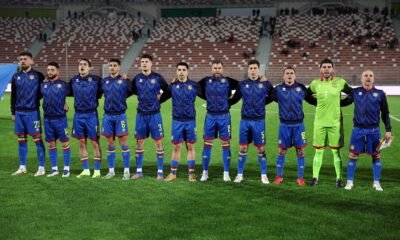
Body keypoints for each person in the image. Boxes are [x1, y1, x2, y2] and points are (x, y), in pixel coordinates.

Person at [344, 70, 392, 191]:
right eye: (365, 76)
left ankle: (376, 182)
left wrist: (388, 129)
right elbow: (344, 103)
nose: (368, 78)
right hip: (358, 130)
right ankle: (349, 181)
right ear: (361, 79)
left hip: (374, 131)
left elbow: (385, 113)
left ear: (373, 79)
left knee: (376, 156)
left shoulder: (380, 94)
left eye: (371, 75)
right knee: (352, 155)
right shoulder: (355, 92)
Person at [268, 66, 316, 186]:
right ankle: (279, 176)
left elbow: (311, 100)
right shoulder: (278, 89)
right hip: (284, 125)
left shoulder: (301, 88)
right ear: (283, 76)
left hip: (299, 125)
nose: (289, 75)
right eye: (287, 73)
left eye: (291, 73)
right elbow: (267, 99)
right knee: (281, 151)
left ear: (295, 76)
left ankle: (300, 178)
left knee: (300, 151)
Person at [308, 58, 353, 187]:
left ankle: (339, 179)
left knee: (336, 151)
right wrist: (316, 103)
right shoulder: (315, 83)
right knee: (319, 151)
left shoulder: (340, 82)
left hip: (335, 123)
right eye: (324, 67)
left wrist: (342, 103)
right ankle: (315, 177)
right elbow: (307, 95)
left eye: (329, 67)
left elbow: (352, 94)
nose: (326, 69)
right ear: (320, 69)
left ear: (332, 69)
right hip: (319, 123)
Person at [229, 59, 273, 184]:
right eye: (251, 68)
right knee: (243, 148)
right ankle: (239, 174)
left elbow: (274, 96)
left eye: (255, 68)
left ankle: (264, 175)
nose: (253, 70)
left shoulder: (266, 84)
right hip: (245, 121)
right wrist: (222, 103)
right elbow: (234, 99)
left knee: (261, 149)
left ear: (259, 70)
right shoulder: (242, 84)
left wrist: (262, 103)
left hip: (259, 121)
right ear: (248, 70)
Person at [197, 60, 239, 182]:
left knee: (225, 144)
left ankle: (226, 173)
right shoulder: (205, 81)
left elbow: (242, 86)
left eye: (219, 68)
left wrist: (230, 102)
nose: (217, 70)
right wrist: (207, 98)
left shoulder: (228, 81)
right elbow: (195, 88)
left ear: (222, 69)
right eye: (215, 68)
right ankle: (205, 172)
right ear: (211, 69)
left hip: (224, 116)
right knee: (207, 145)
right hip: (210, 116)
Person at [161, 62, 201, 182]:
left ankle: (191, 174)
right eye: (179, 69)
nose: (181, 72)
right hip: (177, 121)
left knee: (190, 146)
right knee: (177, 147)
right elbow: (162, 99)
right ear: (176, 72)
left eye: (184, 69)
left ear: (187, 72)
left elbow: (207, 95)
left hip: (190, 121)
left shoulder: (194, 85)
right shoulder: (172, 86)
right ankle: (173, 173)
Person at [131, 54, 168, 180]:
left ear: (151, 63)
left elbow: (167, 91)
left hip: (154, 115)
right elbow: (133, 91)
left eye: (146, 61)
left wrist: (160, 100)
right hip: (141, 114)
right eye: (142, 61)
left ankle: (160, 172)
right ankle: (139, 171)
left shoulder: (158, 78)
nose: (144, 63)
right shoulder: (137, 78)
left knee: (158, 142)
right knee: (139, 141)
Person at [11, 51, 46, 176]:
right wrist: (13, 112)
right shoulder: (16, 77)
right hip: (19, 113)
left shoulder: (38, 75)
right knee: (21, 140)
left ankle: (41, 167)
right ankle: (22, 167)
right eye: (20, 59)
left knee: (37, 140)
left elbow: (46, 91)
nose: (22, 61)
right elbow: (13, 96)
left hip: (33, 113)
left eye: (25, 59)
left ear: (31, 61)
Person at [68, 58, 102, 178]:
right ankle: (86, 169)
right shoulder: (73, 80)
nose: (82, 66)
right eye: (80, 64)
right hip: (78, 115)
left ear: (89, 67)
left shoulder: (96, 80)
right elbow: (65, 92)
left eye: (84, 64)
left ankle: (97, 171)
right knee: (81, 142)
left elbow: (101, 93)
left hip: (91, 114)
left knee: (94, 141)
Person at [100, 58, 133, 180]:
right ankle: (111, 171)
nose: (112, 67)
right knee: (110, 143)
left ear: (119, 68)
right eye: (110, 66)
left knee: (123, 142)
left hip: (120, 115)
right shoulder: (104, 81)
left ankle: (126, 171)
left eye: (114, 65)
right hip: (107, 116)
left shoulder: (125, 81)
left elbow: (132, 91)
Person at [41, 62, 71, 177]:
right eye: (48, 70)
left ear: (58, 71)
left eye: (52, 70)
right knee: (51, 144)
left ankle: (66, 169)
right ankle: (54, 169)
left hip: (60, 119)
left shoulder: (64, 85)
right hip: (48, 119)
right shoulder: (42, 85)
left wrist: (66, 105)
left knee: (65, 144)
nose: (49, 72)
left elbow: (76, 94)